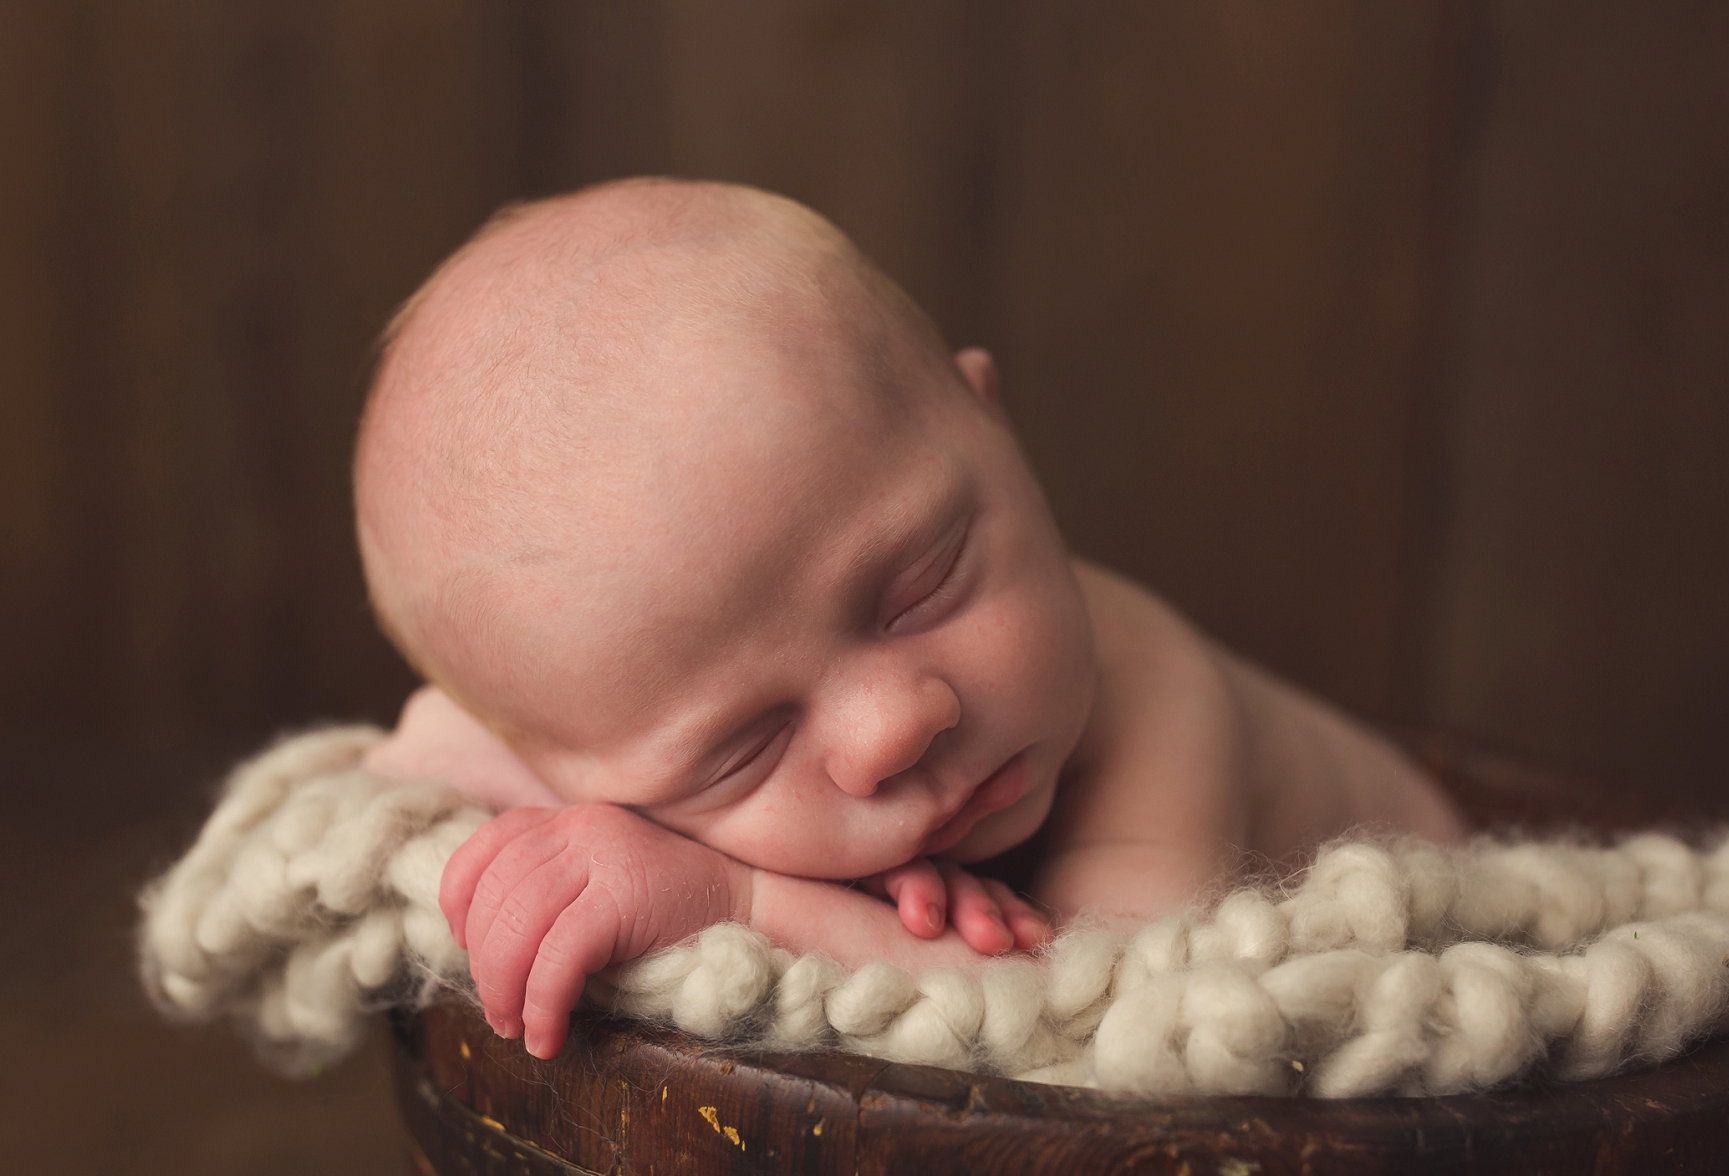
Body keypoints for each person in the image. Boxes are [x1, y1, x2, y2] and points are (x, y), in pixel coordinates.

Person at [355, 178, 1462, 1059]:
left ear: (996, 427)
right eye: (745, 746)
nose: (894, 727)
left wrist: (739, 896)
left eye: (922, 586)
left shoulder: (1154, 707)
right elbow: (430, 753)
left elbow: (1081, 1033)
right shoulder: (625, 733)